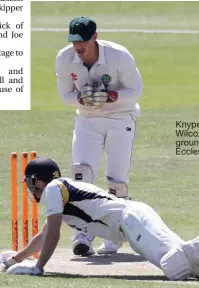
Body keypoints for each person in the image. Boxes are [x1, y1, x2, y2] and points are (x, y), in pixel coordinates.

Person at [0, 157, 199, 279]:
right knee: (189, 265)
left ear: (39, 180)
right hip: (132, 220)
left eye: (29, 182)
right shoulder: (59, 194)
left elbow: (52, 234)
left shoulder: (52, 189)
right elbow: (47, 233)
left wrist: (38, 267)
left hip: (131, 219)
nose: (29, 188)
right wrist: (18, 258)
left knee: (176, 266)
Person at [54, 16, 144, 256]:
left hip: (121, 117)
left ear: (95, 36)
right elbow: (65, 96)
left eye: (83, 40)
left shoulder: (119, 55)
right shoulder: (65, 58)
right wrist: (81, 99)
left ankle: (114, 235)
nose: (78, 46)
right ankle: (82, 233)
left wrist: (112, 96)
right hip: (87, 119)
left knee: (117, 180)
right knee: (81, 175)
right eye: (74, 41)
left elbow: (136, 91)